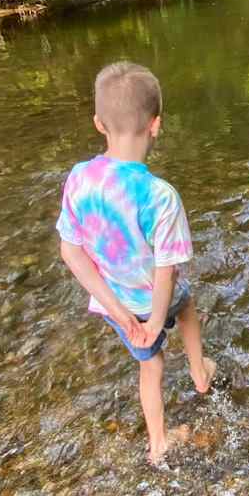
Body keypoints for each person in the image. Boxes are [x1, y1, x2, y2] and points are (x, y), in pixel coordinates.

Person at [56, 61, 215, 467]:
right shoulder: (160, 196)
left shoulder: (79, 179)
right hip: (153, 299)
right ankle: (199, 373)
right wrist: (152, 321)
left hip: (116, 304)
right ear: (156, 125)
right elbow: (166, 270)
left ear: (98, 123)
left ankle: (157, 442)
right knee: (187, 307)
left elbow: (71, 253)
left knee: (152, 365)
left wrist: (121, 314)